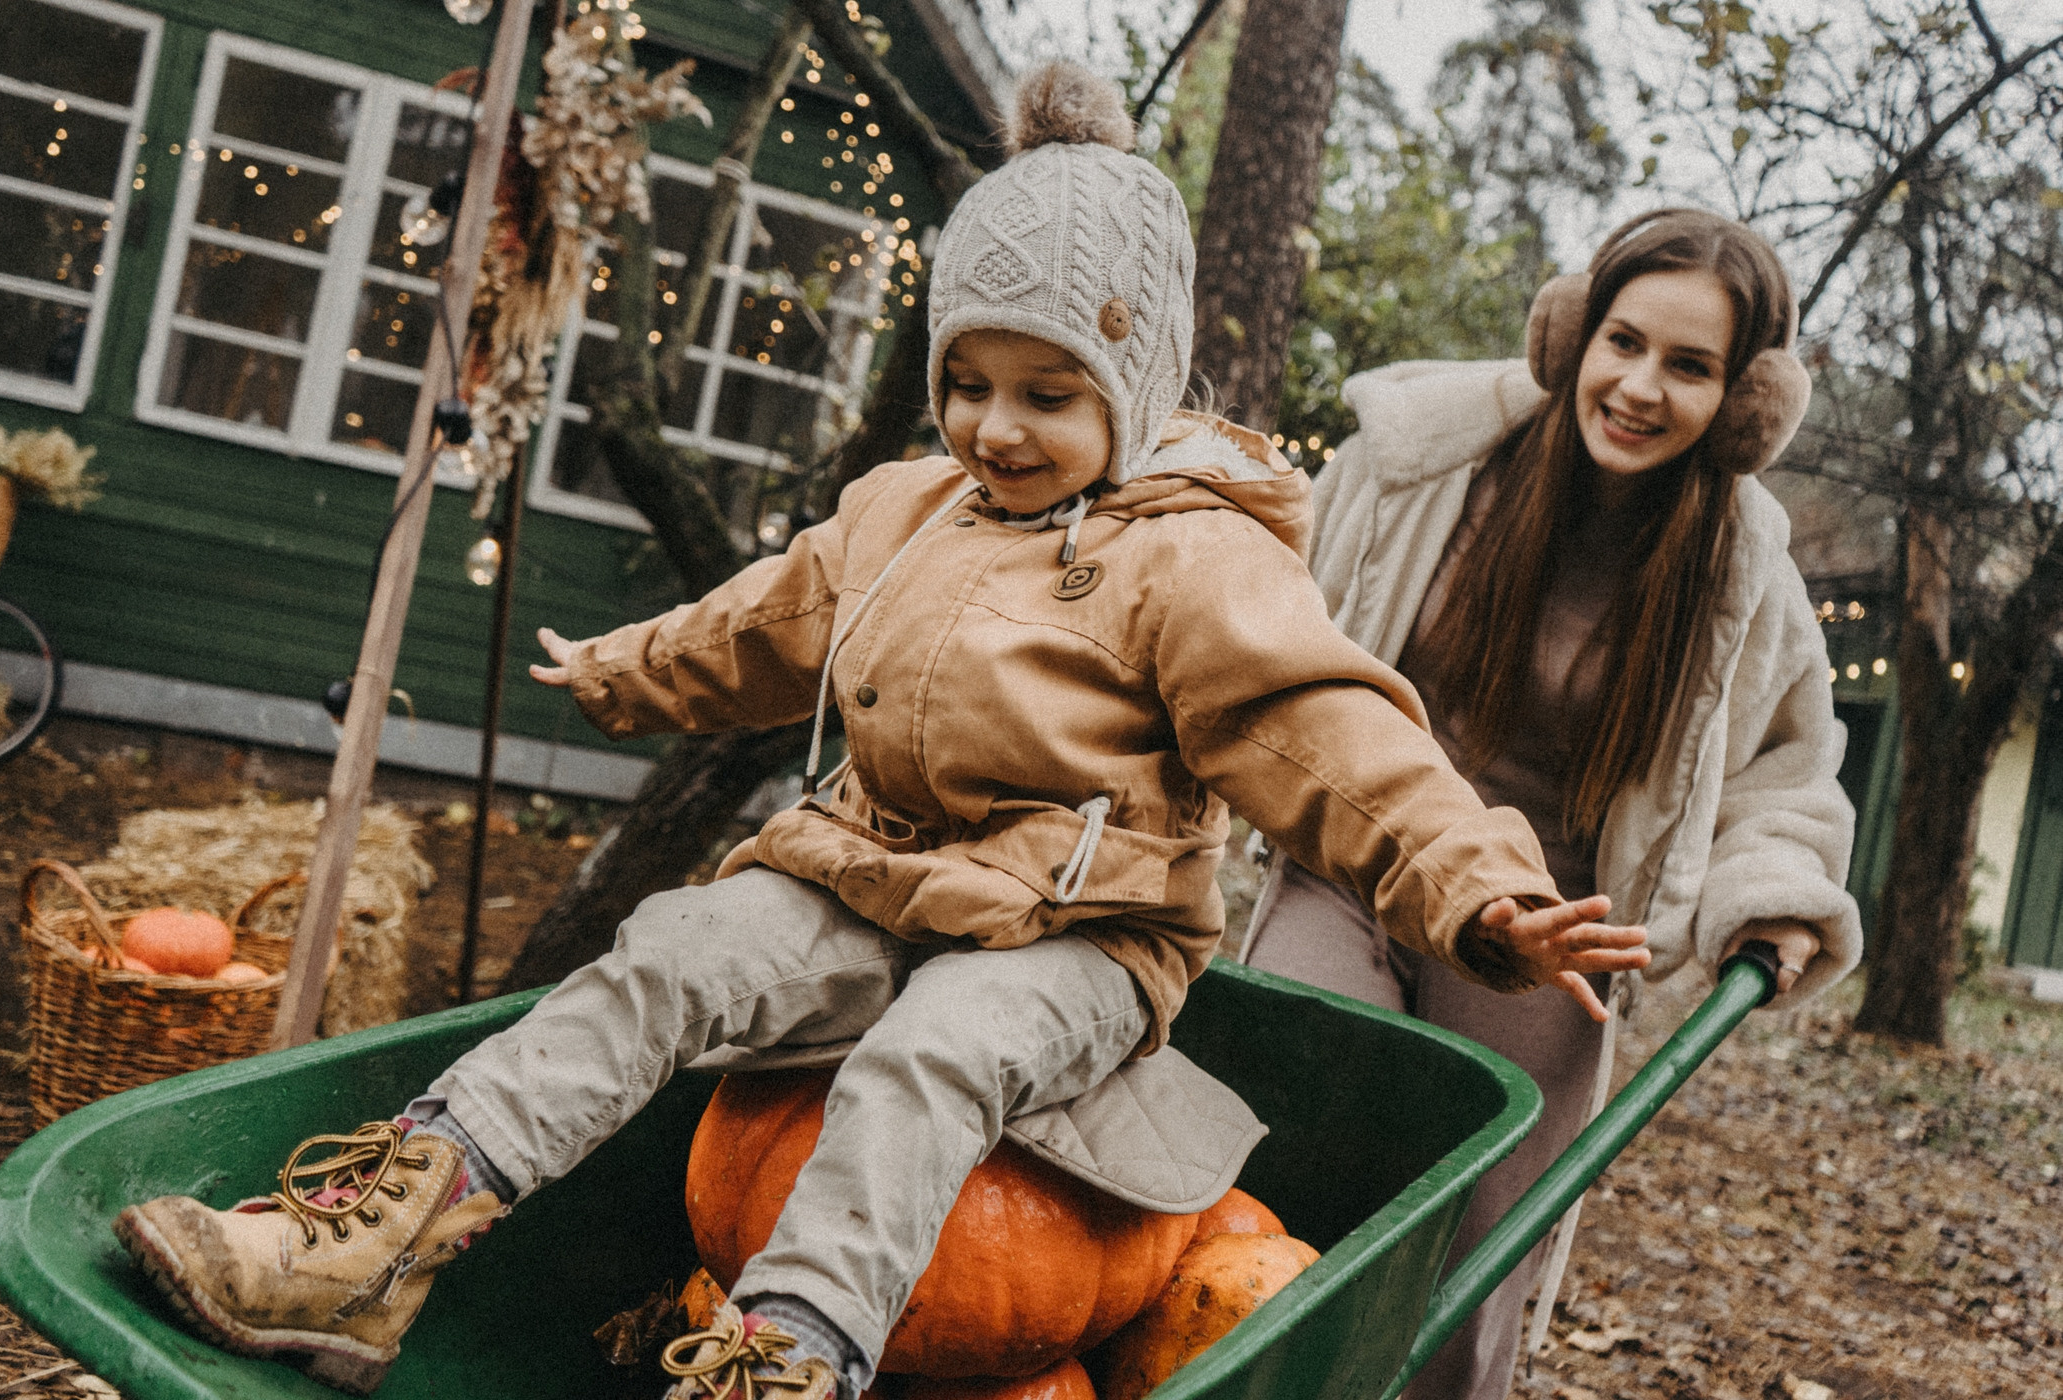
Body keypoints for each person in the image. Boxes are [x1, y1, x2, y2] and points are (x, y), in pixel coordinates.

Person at [113, 65, 1647, 1400]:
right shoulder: (904, 507)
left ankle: (789, 1356)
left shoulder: (1195, 554)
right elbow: (768, 624)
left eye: (1050, 391)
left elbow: (1330, 736)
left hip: (1083, 939)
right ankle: (374, 1248)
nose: (995, 424)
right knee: (669, 952)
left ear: (1136, 374)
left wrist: (1472, 887)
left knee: (935, 1050)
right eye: (966, 382)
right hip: (875, 873)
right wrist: (634, 667)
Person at [1237, 207, 1864, 1400]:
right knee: (1295, 1145)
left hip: (1558, 925)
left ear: (1743, 402)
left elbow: (1786, 771)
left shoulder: (1742, 577)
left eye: (1690, 366)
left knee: (1479, 1247)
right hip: (1359, 859)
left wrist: (1773, 893)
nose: (1638, 386)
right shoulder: (1419, 461)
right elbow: (1269, 631)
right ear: (1573, 331)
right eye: (1623, 341)